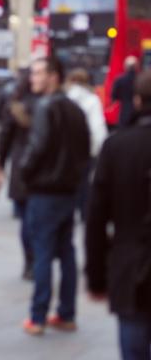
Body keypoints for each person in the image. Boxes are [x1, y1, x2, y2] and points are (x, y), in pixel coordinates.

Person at [20, 57, 90, 336]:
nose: (32, 79)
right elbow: (85, 150)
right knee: (66, 252)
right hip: (67, 191)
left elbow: (37, 148)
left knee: (43, 253)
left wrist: (25, 173)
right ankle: (66, 312)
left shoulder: (45, 107)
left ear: (53, 76)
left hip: (45, 191)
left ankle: (37, 316)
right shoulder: (75, 108)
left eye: (37, 73)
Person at [86, 70, 151, 360]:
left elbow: (96, 218)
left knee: (133, 344)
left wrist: (96, 276)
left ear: (137, 101)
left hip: (129, 265)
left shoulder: (116, 147)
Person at [0, 74, 39, 280]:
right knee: (37, 218)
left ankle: (30, 261)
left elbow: (5, 137)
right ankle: (39, 258)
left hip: (20, 165)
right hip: (41, 167)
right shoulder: (45, 105)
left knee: (25, 220)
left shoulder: (16, 107)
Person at [65, 68, 108, 222]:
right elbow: (97, 127)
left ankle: (68, 211)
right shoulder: (92, 100)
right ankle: (83, 212)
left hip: (66, 149)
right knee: (84, 182)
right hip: (86, 148)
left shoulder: (64, 99)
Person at [113, 56, 140, 128]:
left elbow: (114, 96)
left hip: (124, 112)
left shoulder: (119, 80)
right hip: (138, 113)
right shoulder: (141, 79)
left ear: (125, 67)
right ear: (136, 66)